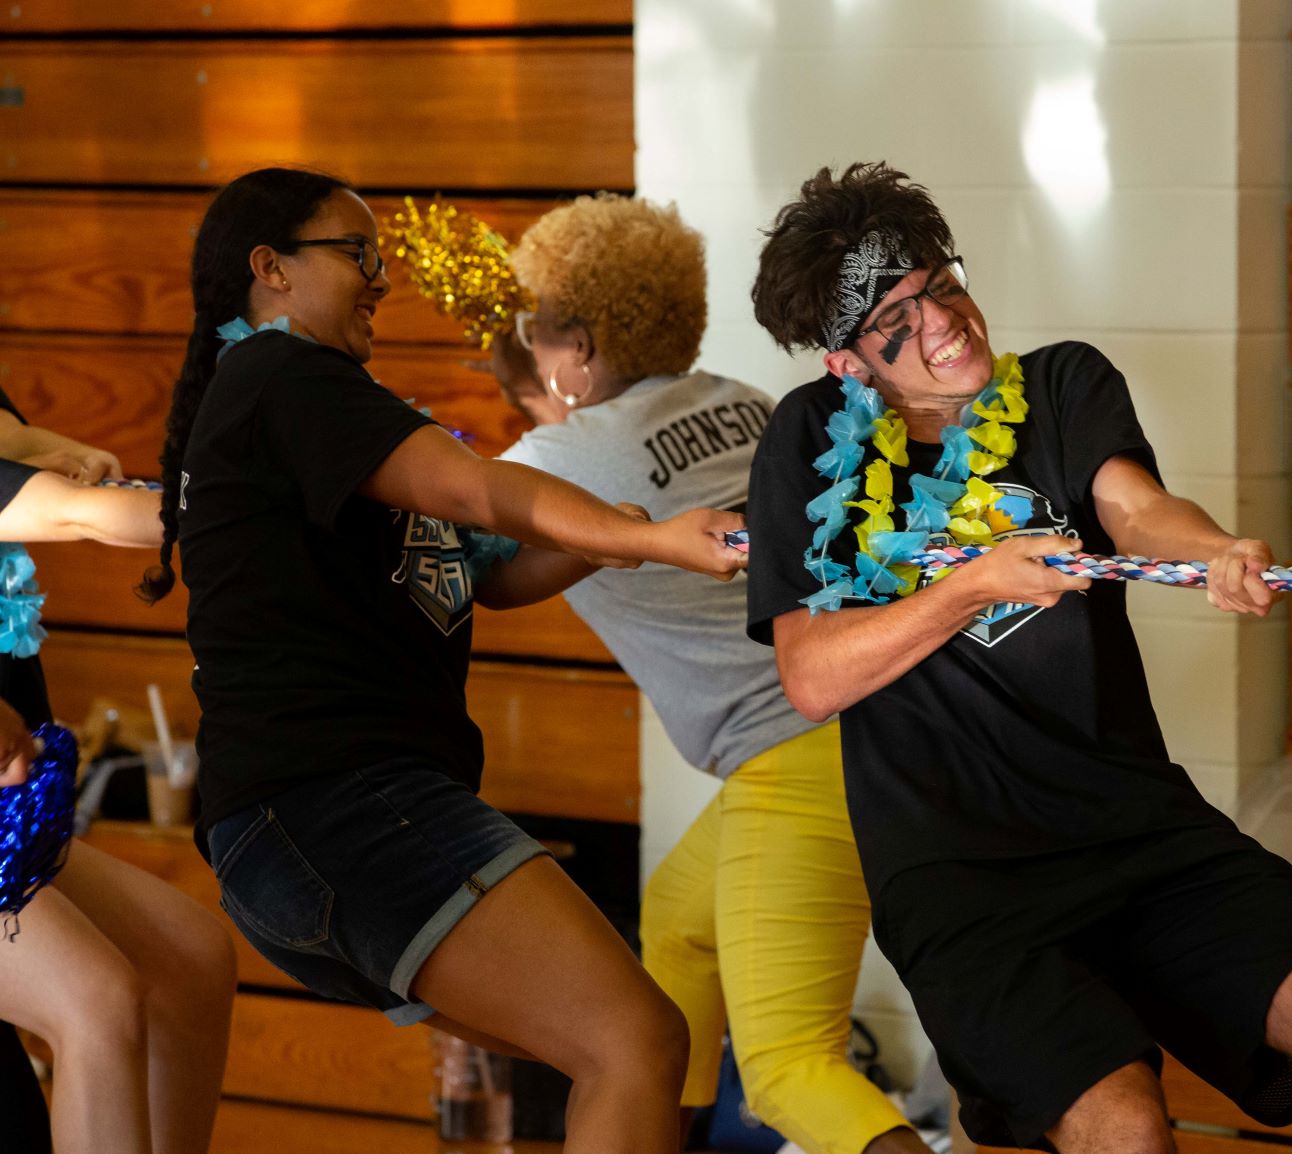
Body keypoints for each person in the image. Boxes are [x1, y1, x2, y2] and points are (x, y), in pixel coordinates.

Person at [745, 163, 1292, 1154]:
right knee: (1121, 1122)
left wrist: (1213, 553)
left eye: (940, 282)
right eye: (896, 317)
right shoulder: (807, 444)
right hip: (962, 874)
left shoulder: (1060, 383)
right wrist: (968, 586)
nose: (942, 317)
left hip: (1135, 826)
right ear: (848, 364)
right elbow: (811, 674)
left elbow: (1134, 508)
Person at [144, 167, 745, 1154]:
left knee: (604, 1052)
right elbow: (473, 492)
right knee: (636, 1038)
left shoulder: (307, 399)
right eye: (357, 254)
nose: (381, 277)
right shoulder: (282, 376)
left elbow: (482, 574)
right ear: (272, 269)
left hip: (303, 834)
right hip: (339, 809)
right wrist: (661, 540)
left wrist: (604, 534)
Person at [485, 193, 933, 1154]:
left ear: (581, 349)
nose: (531, 354)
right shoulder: (740, 400)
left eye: (537, 333)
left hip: (797, 759)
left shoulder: (555, 458)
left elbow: (470, 564)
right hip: (879, 729)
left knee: (788, 1073)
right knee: (679, 933)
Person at [0, 393, 237, 1154]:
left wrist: (52, 446)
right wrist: (265, 502)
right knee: (96, 1001)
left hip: (12, 815)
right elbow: (80, 515)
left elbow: (15, 441)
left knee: (193, 958)